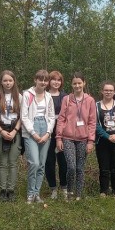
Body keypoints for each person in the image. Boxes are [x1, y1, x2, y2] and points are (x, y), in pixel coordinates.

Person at [56, 72, 97, 201]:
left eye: (79, 83)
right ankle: (69, 191)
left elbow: (92, 121)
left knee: (80, 168)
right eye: (75, 83)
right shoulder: (67, 99)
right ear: (71, 84)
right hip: (67, 138)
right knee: (71, 167)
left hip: (83, 139)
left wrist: (91, 141)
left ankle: (78, 194)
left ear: (84, 83)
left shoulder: (90, 100)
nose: (77, 85)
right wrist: (58, 138)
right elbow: (61, 119)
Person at [21, 70, 56, 204]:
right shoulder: (27, 95)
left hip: (45, 129)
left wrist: (48, 133)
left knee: (41, 164)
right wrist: (34, 133)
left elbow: (52, 117)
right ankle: (30, 193)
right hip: (32, 130)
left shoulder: (48, 97)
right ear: (35, 80)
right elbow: (24, 116)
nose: (43, 82)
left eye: (45, 80)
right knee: (34, 163)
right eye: (40, 79)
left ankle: (37, 193)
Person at [95, 81, 115, 198]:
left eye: (110, 90)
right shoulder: (96, 106)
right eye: (106, 90)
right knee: (103, 167)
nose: (108, 92)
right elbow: (95, 124)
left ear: (114, 92)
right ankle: (103, 191)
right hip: (102, 141)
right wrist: (106, 136)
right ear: (102, 91)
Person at [0, 70, 21, 202]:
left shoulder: (19, 97)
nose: (8, 83)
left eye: (10, 80)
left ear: (14, 81)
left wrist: (15, 131)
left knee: (12, 162)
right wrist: (1, 131)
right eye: (5, 80)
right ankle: (3, 189)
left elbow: (23, 116)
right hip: (1, 131)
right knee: (2, 163)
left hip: (14, 131)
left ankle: (11, 190)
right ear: (1, 82)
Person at [44, 71, 68, 200]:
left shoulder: (65, 97)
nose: (56, 82)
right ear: (49, 81)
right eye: (53, 79)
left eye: (59, 80)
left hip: (62, 133)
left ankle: (64, 187)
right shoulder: (44, 95)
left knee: (63, 162)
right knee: (49, 161)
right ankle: (53, 188)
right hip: (47, 133)